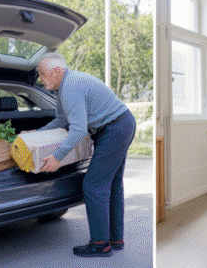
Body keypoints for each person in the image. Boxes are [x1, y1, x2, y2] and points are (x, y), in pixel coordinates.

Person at [35, 52, 136, 258]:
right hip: (121, 124)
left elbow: (78, 130)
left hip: (114, 129)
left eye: (42, 74)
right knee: (112, 184)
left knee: (93, 185)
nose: (40, 79)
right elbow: (60, 121)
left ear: (56, 71)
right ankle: (115, 240)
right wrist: (34, 135)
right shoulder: (65, 87)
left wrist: (57, 157)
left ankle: (100, 245)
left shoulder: (70, 87)